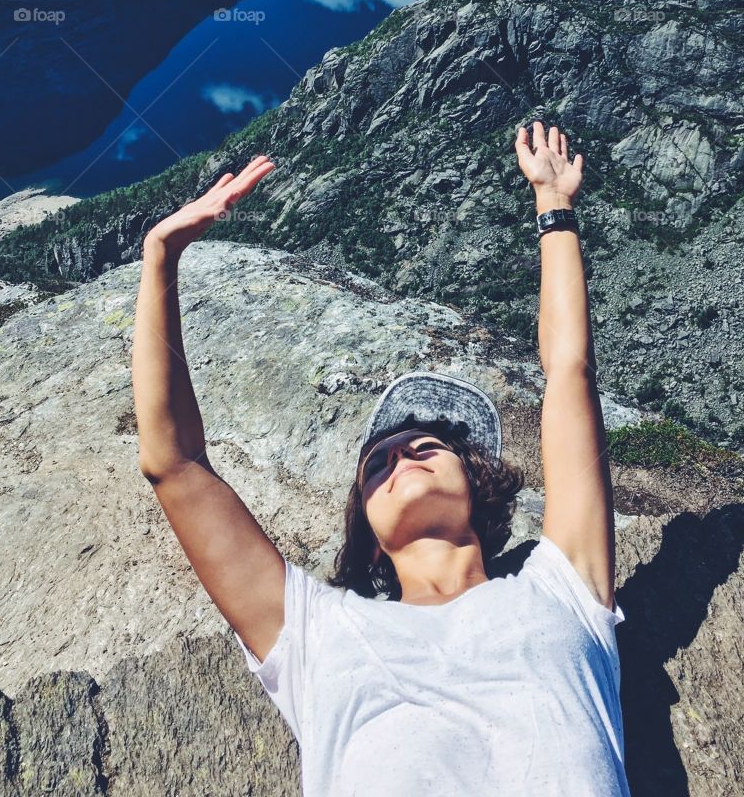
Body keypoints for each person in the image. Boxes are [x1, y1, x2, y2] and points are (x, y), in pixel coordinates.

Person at [132, 121, 631, 797]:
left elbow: (569, 370)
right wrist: (159, 258)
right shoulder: (315, 631)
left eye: (430, 444)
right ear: (366, 542)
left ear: (478, 486)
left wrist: (554, 208)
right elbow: (176, 466)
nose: (405, 451)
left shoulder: (563, 587)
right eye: (379, 463)